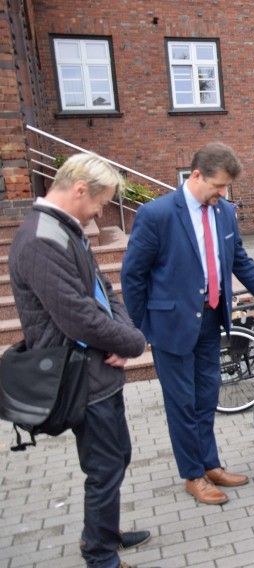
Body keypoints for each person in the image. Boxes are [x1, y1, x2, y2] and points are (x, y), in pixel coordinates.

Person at [121, 142, 254, 506]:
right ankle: (193, 474)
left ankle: (210, 464)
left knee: (206, 397)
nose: (223, 194)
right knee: (182, 403)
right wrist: (141, 328)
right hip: (171, 326)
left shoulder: (224, 213)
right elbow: (133, 276)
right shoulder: (157, 214)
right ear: (196, 176)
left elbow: (239, 260)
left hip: (211, 320)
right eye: (218, 186)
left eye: (227, 188)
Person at [9, 153, 151, 568]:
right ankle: (100, 555)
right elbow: (78, 315)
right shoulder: (41, 238)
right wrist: (133, 342)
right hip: (81, 375)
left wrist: (125, 335)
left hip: (97, 369)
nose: (100, 211)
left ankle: (103, 532)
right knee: (105, 466)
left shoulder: (63, 230)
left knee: (116, 455)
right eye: (100, 201)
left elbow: (104, 292)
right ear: (79, 189)